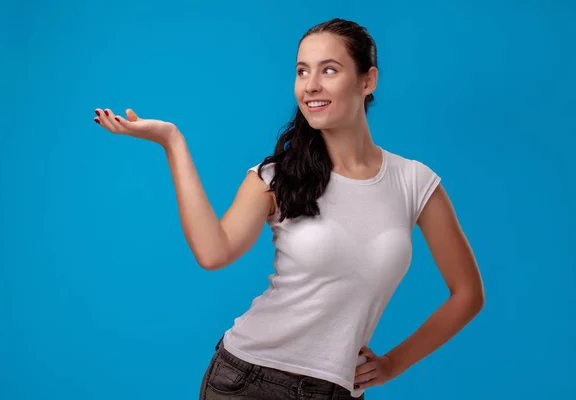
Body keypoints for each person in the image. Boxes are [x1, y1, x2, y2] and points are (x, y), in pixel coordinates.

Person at [93, 17, 484, 400]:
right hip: (247, 381)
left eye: (328, 70)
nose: (310, 85)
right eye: (301, 71)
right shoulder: (277, 176)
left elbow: (468, 294)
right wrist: (172, 142)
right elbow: (213, 253)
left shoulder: (414, 182)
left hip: (338, 391)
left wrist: (392, 365)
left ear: (368, 81)